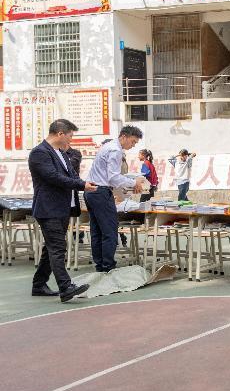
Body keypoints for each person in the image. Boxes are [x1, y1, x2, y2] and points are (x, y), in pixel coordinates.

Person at [29, 119, 96, 302]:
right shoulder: (39, 153)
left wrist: (85, 183)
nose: (70, 140)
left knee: (51, 248)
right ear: (60, 134)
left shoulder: (61, 153)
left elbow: (72, 175)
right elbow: (53, 177)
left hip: (63, 208)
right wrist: (82, 185)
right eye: (70, 136)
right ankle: (65, 287)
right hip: (48, 208)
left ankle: (39, 284)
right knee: (58, 247)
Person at [85, 125, 146, 272]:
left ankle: (100, 265)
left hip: (91, 191)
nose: (133, 145)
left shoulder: (107, 147)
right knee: (110, 231)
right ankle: (108, 266)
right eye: (133, 141)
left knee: (97, 231)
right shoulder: (116, 150)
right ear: (124, 137)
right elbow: (113, 178)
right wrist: (134, 183)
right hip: (101, 192)